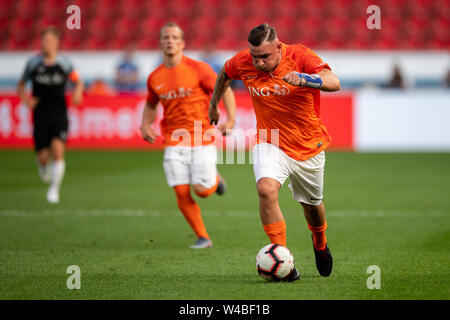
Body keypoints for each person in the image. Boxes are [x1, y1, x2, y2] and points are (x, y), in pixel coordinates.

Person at [209, 23, 341, 280]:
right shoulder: (243, 61)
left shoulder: (300, 56)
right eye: (255, 57)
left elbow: (334, 82)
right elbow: (224, 73)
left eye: (265, 57)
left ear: (279, 47)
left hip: (307, 144)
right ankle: (284, 261)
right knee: (265, 189)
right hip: (270, 140)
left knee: (311, 204)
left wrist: (305, 78)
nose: (258, 63)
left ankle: (320, 242)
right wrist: (214, 104)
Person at [140, 22, 236, 249]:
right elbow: (151, 104)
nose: (170, 40)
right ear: (160, 43)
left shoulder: (198, 68)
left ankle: (215, 180)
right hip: (173, 139)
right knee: (181, 190)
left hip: (201, 135)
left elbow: (224, 88)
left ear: (182, 43)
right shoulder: (155, 77)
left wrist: (230, 119)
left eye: (174, 37)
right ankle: (203, 236)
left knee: (202, 191)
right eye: (166, 37)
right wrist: (145, 124)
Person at [17, 26, 84, 203]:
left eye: (49, 40)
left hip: (59, 113)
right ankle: (42, 165)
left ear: (56, 42)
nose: (46, 44)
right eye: (44, 40)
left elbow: (77, 81)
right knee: (43, 156)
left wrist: (77, 92)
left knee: (58, 150)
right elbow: (21, 85)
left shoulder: (65, 64)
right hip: (40, 114)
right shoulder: (33, 64)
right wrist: (26, 100)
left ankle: (54, 190)